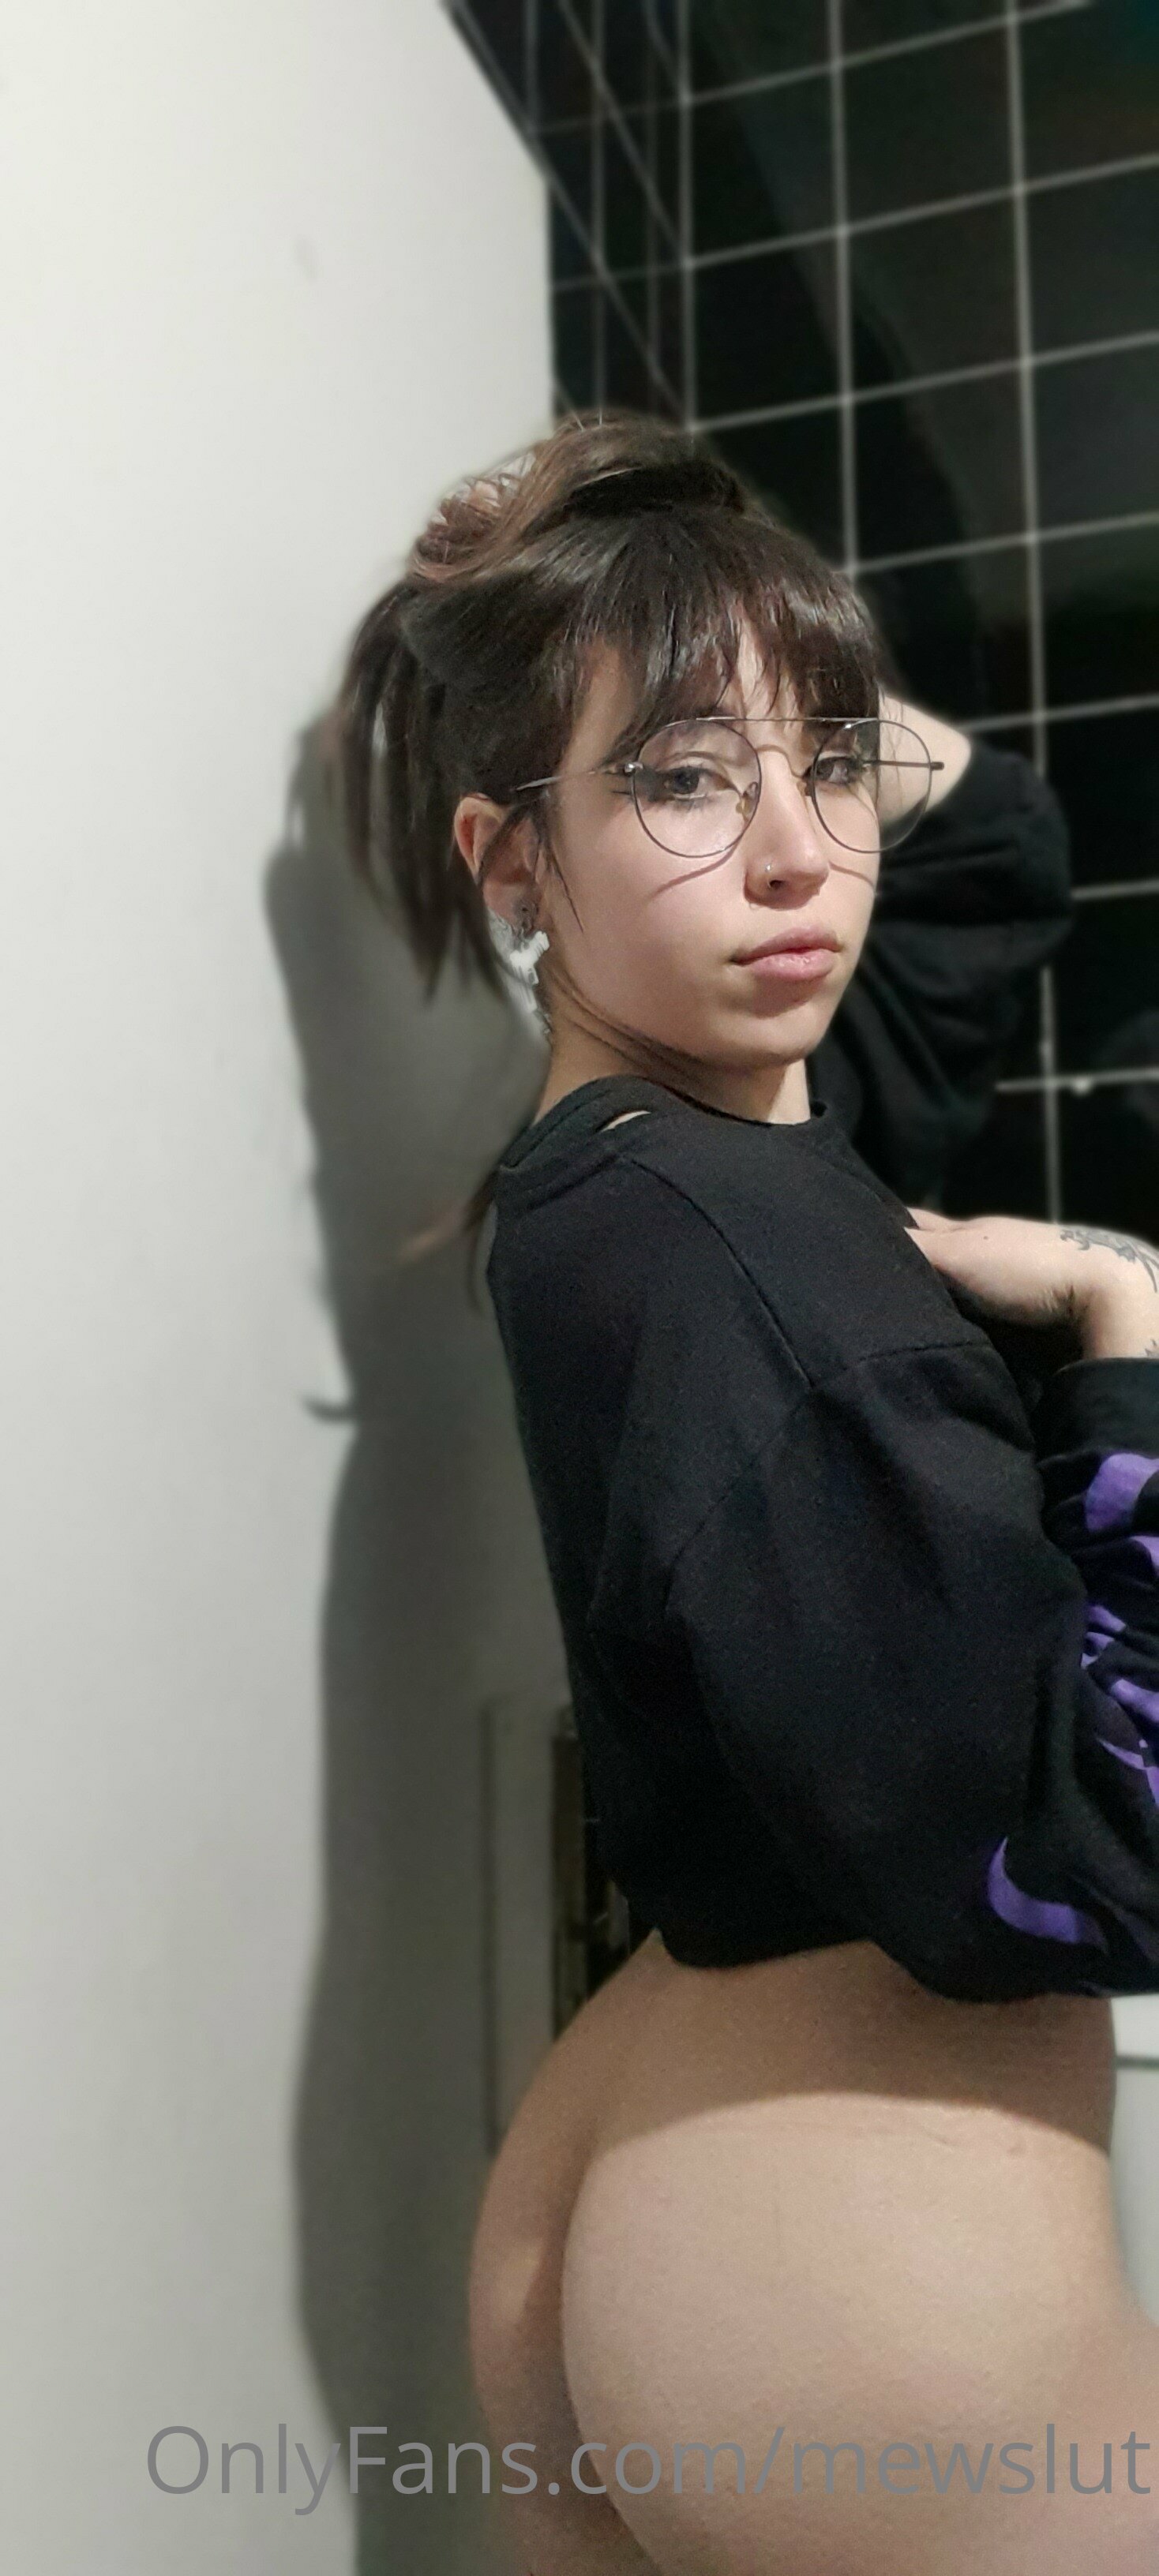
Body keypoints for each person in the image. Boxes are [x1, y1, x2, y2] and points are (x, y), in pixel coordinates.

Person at [333, 410, 1159, 2576]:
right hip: (862, 2265)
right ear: (513, 864)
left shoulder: (644, 1167)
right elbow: (1101, 1859)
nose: (804, 857)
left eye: (833, 763)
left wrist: (679, 595)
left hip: (712, 2158)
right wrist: (1127, 1333)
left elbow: (992, 850)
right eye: (686, 781)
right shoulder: (741, 1245)